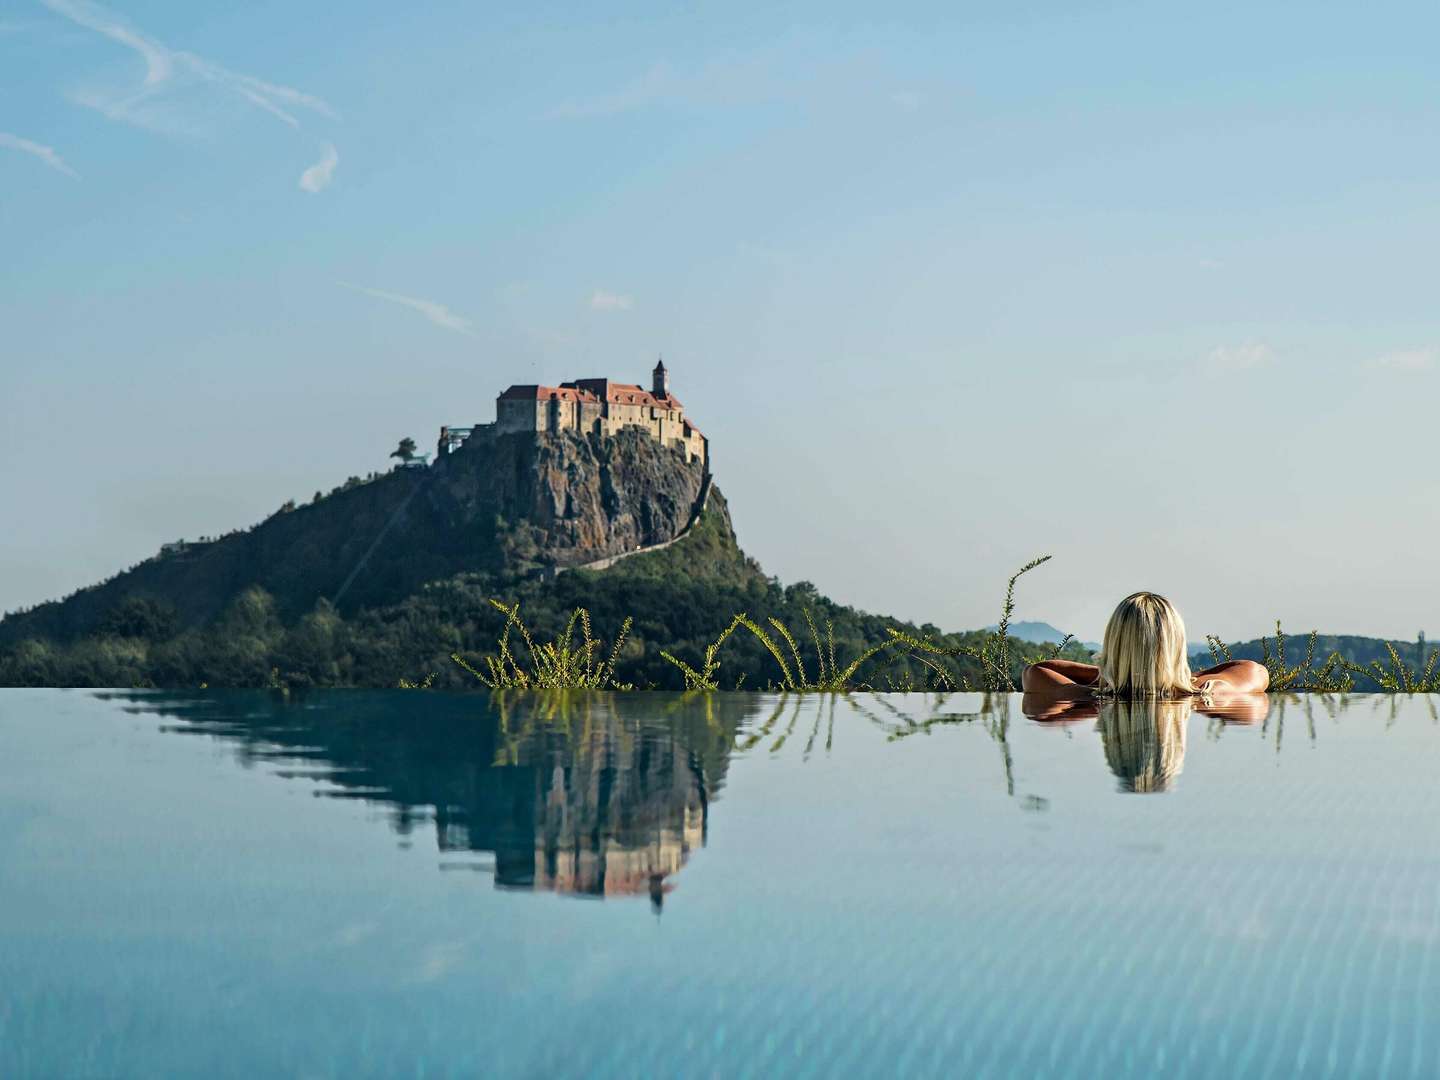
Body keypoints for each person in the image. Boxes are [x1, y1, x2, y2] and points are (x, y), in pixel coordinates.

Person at [1021, 591, 1269, 698]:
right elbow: (1256, 671)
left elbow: (1036, 671)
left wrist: (1114, 676)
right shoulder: (1207, 692)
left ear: (1115, 641)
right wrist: (1175, 677)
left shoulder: (1089, 696)